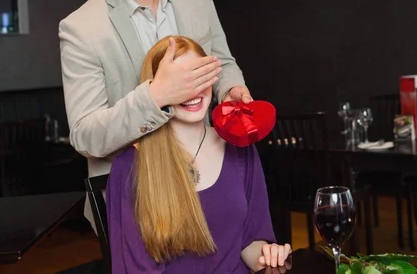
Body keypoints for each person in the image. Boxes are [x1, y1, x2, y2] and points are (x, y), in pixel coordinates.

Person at [59, 0, 252, 223]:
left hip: (209, 181)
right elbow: (86, 136)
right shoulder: (79, 28)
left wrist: (230, 89)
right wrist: (157, 96)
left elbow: (222, 61)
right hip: (134, 201)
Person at [107, 36, 291, 273]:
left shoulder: (239, 148)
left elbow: (250, 243)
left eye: (199, 77)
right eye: (180, 82)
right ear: (156, 91)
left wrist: (268, 256)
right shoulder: (129, 168)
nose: (192, 91)